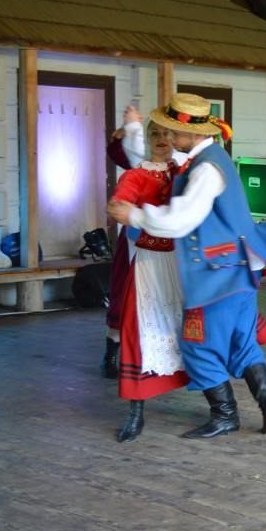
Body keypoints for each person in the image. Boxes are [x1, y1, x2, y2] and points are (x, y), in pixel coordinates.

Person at [107, 93, 266, 439]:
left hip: (216, 276)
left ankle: (225, 416)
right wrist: (133, 131)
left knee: (197, 345)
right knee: (243, 343)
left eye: (173, 132)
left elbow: (181, 219)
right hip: (238, 271)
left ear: (194, 133)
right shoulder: (206, 159)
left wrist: (134, 215)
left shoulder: (206, 169)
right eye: (163, 131)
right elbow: (149, 164)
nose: (168, 138)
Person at [109, 116, 190, 442]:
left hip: (183, 262)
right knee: (139, 333)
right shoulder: (137, 174)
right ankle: (136, 415)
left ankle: (221, 407)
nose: (161, 138)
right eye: (154, 133)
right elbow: (119, 203)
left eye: (167, 132)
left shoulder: (186, 171)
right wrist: (123, 207)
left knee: (193, 329)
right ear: (147, 138)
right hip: (150, 263)